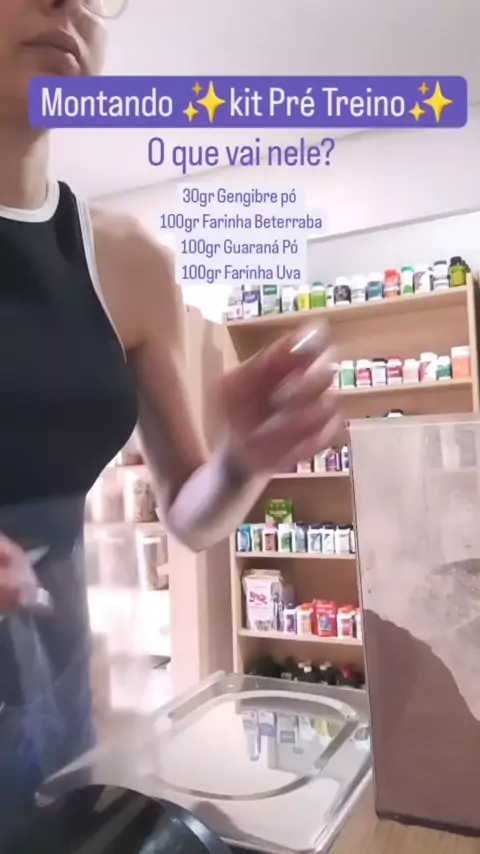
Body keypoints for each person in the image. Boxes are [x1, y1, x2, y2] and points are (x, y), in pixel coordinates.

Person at [0, 0, 340, 834]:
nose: (68, 3)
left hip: (50, 745)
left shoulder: (127, 260)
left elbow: (191, 514)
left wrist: (243, 457)